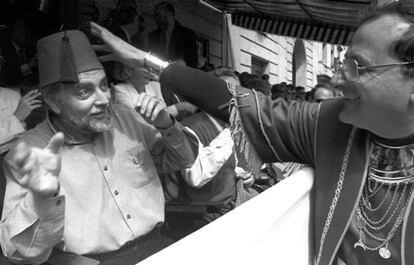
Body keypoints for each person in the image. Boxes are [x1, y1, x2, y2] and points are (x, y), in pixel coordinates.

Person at [89, 1, 414, 263]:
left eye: (358, 66)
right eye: (342, 61)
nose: (339, 78)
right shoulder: (332, 125)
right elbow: (237, 102)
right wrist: (145, 60)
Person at [0, 30, 197, 265]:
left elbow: (183, 161)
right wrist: (41, 200)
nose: (103, 99)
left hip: (159, 247)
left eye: (104, 86)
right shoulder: (28, 151)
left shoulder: (126, 119)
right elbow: (16, 253)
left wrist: (166, 125)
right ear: (53, 101)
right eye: (85, 91)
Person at [148, 1, 198, 68]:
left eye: (159, 16)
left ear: (170, 15)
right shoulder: (152, 36)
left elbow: (192, 63)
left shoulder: (187, 35)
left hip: (177, 76)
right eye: (155, 16)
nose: (156, 20)